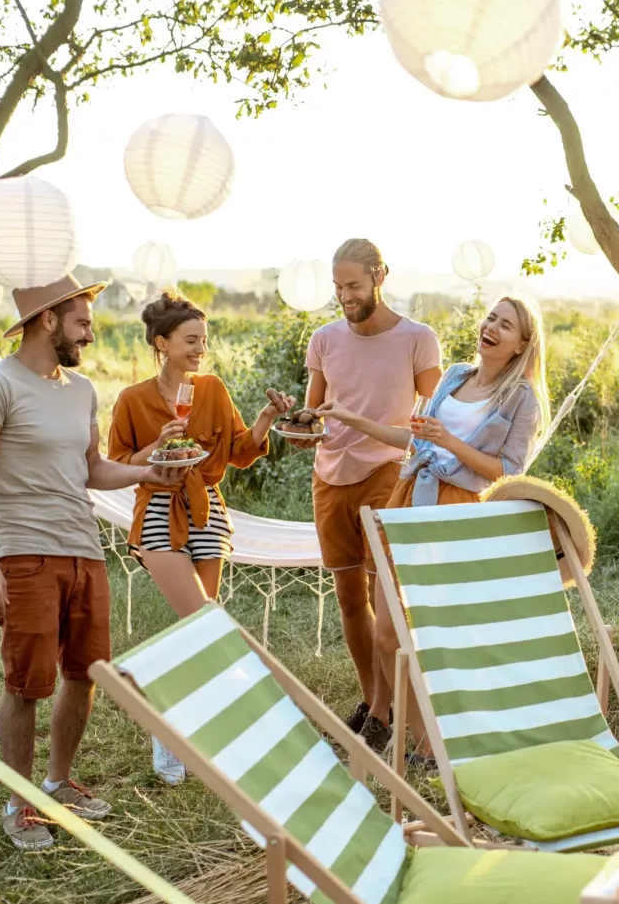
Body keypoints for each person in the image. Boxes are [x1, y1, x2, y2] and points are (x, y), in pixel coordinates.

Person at [0, 274, 185, 850]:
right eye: (82, 320)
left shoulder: (80, 389)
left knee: (85, 674)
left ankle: (58, 783)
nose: (91, 331)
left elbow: (92, 471)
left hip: (85, 549)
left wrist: (148, 473)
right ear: (48, 319)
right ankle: (19, 801)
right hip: (24, 552)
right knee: (27, 684)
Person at [322, 295, 550, 761]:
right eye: (491, 318)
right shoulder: (455, 376)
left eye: (505, 325)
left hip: (457, 511)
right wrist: (354, 420)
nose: (492, 327)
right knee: (387, 631)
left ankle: (435, 746)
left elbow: (507, 468)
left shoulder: (520, 396)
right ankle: (419, 738)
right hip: (407, 499)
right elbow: (416, 439)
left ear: (522, 344)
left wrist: (449, 442)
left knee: (438, 633)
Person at [107, 291, 294, 784]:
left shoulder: (211, 389)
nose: (199, 350)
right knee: (204, 623)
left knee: (201, 632)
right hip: (158, 510)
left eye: (203, 341)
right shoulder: (132, 400)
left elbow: (237, 449)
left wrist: (267, 419)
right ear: (161, 342)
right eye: (190, 341)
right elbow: (117, 464)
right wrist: (159, 446)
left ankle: (188, 730)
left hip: (207, 510)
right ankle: (176, 725)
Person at [303, 238, 441, 751]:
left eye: (353, 286)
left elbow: (436, 414)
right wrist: (300, 426)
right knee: (348, 598)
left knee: (386, 600)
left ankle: (386, 709)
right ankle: (371, 701)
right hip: (330, 475)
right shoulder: (323, 339)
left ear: (380, 276)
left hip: (388, 472)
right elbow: (314, 411)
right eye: (338, 287)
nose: (344, 296)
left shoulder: (417, 339)